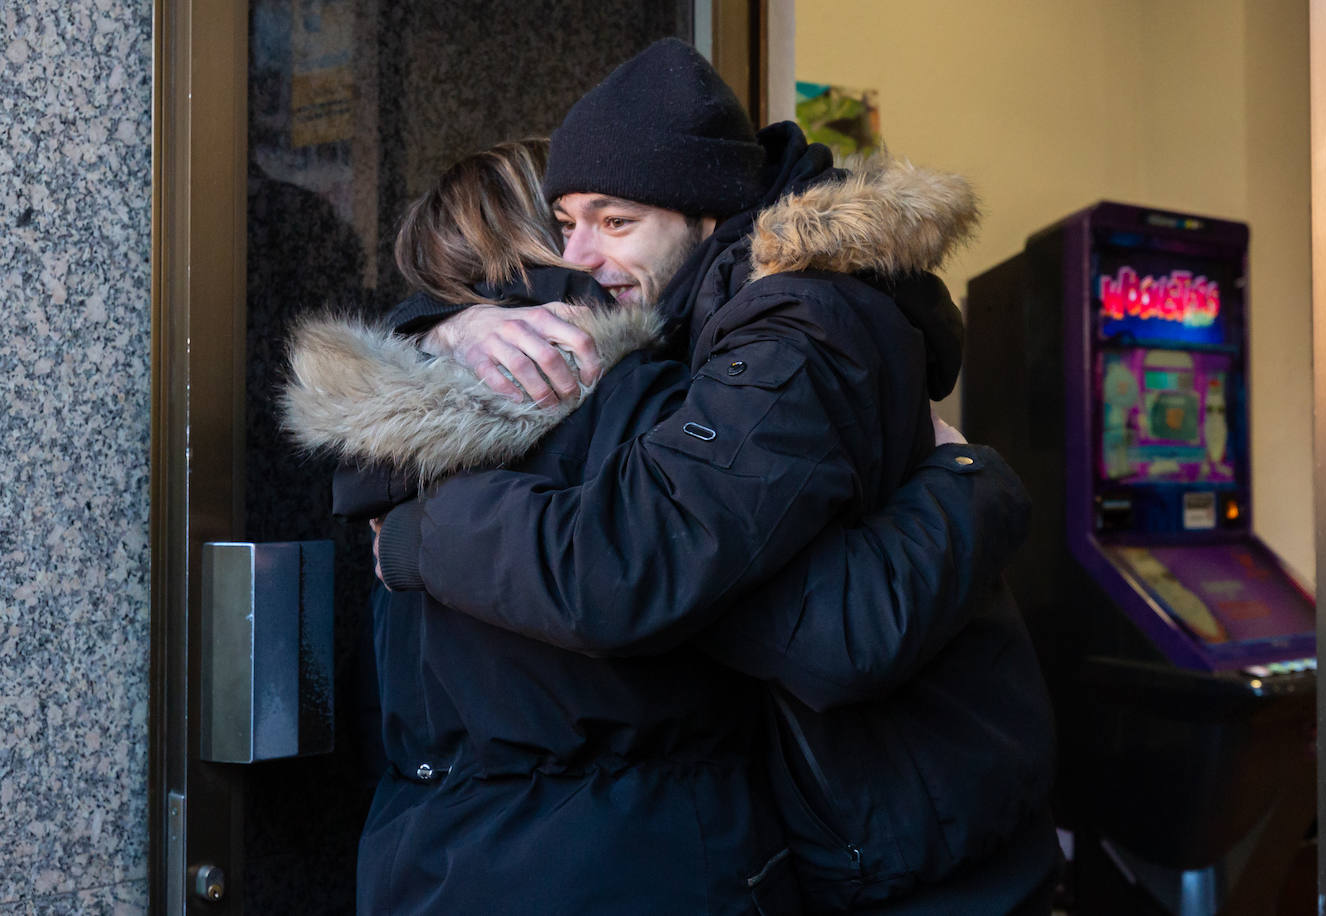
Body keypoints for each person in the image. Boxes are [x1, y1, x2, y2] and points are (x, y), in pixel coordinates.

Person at [288, 65, 1053, 910]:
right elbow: (813, 626)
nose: (584, 254)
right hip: (653, 860)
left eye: (613, 221)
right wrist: (973, 485)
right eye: (567, 222)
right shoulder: (631, 398)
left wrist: (417, 481)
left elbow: (664, 575)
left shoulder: (401, 425)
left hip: (430, 861)